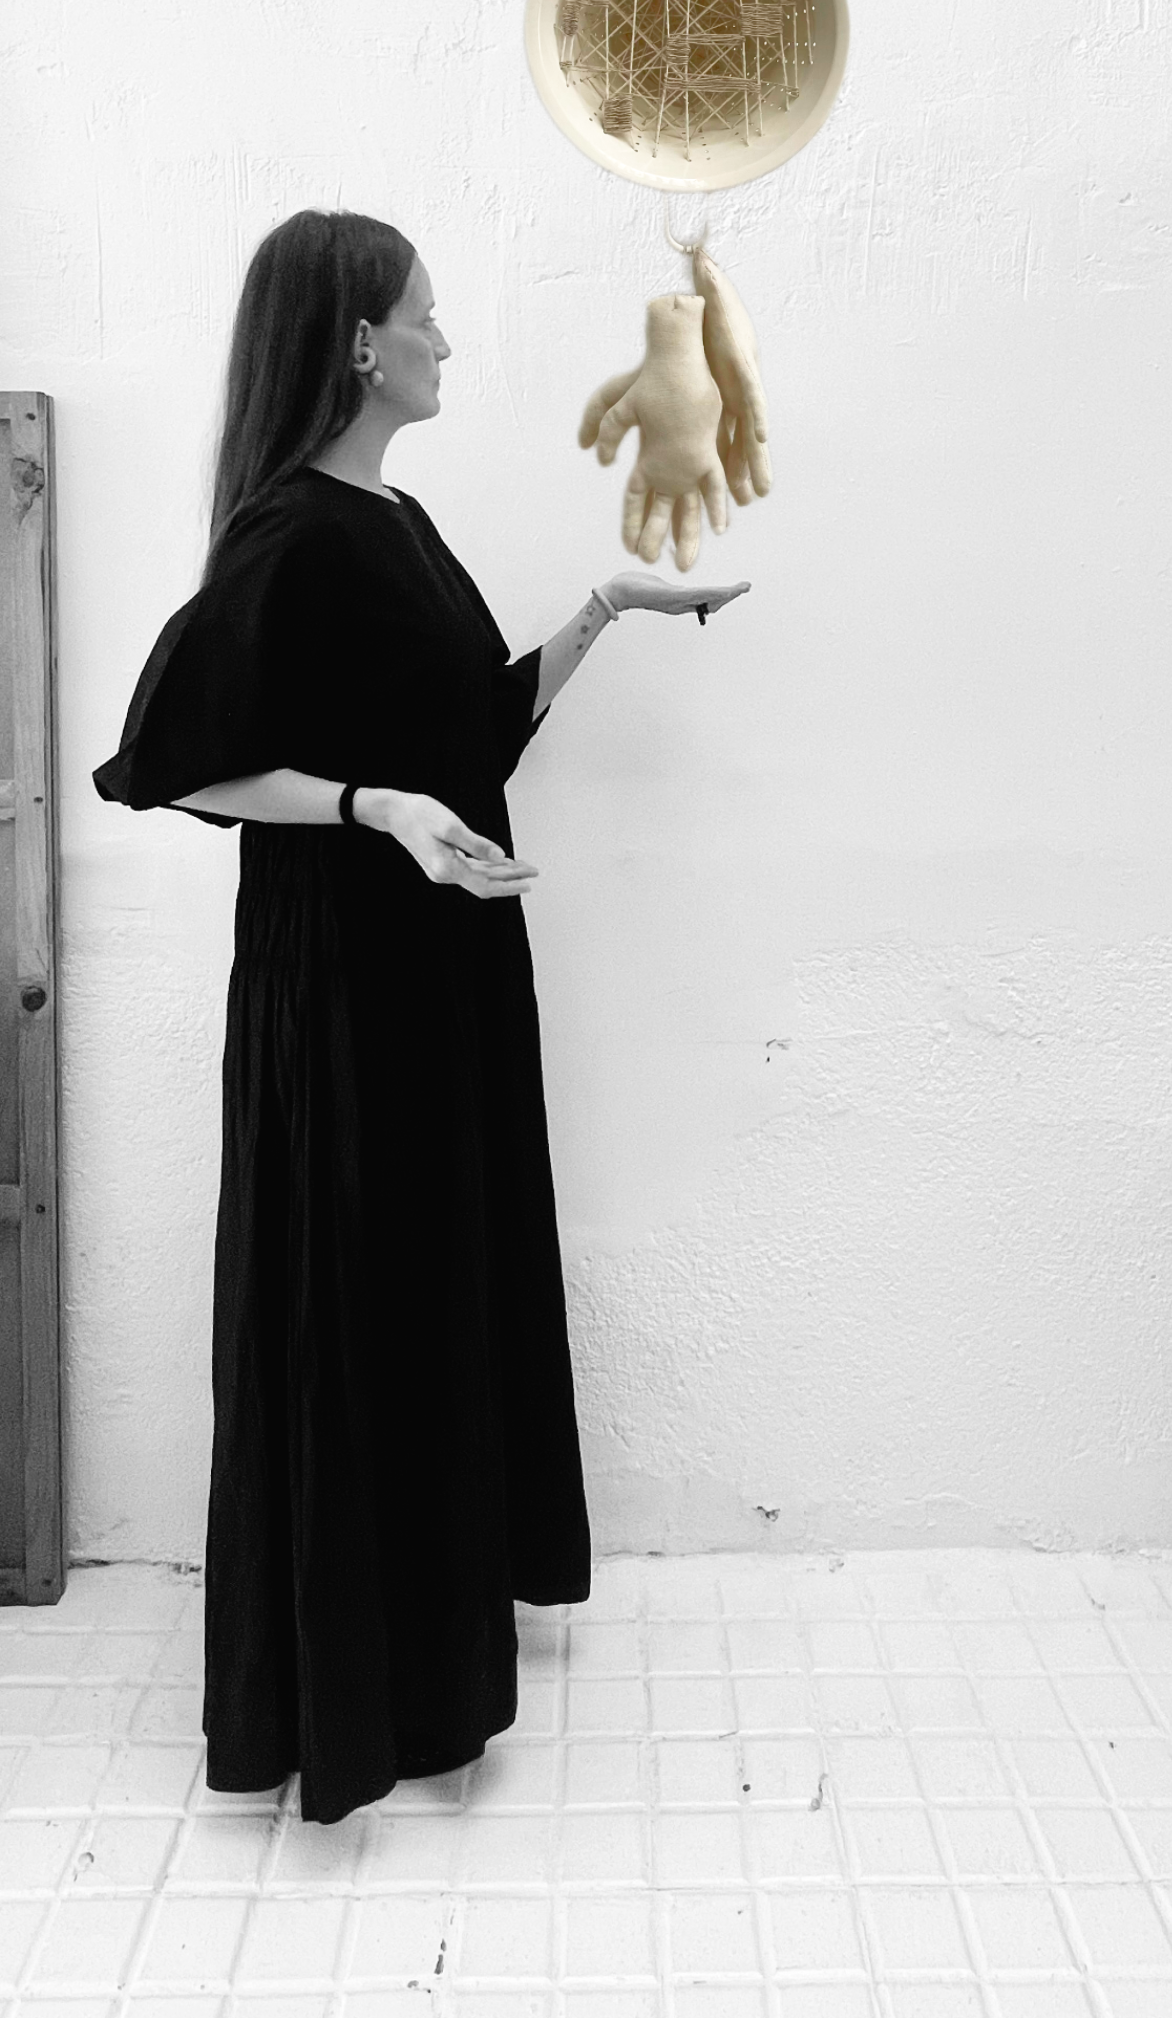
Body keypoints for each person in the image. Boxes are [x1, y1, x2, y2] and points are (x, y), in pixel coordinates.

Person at [93, 207, 748, 1824]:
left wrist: (601, 612)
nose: (448, 340)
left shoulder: (398, 520)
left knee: (432, 1288)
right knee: (359, 1296)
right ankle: (352, 1690)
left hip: (441, 971)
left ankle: (436, 1645)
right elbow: (171, 762)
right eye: (426, 316)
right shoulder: (289, 532)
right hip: (343, 982)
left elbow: (467, 740)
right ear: (360, 343)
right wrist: (370, 808)